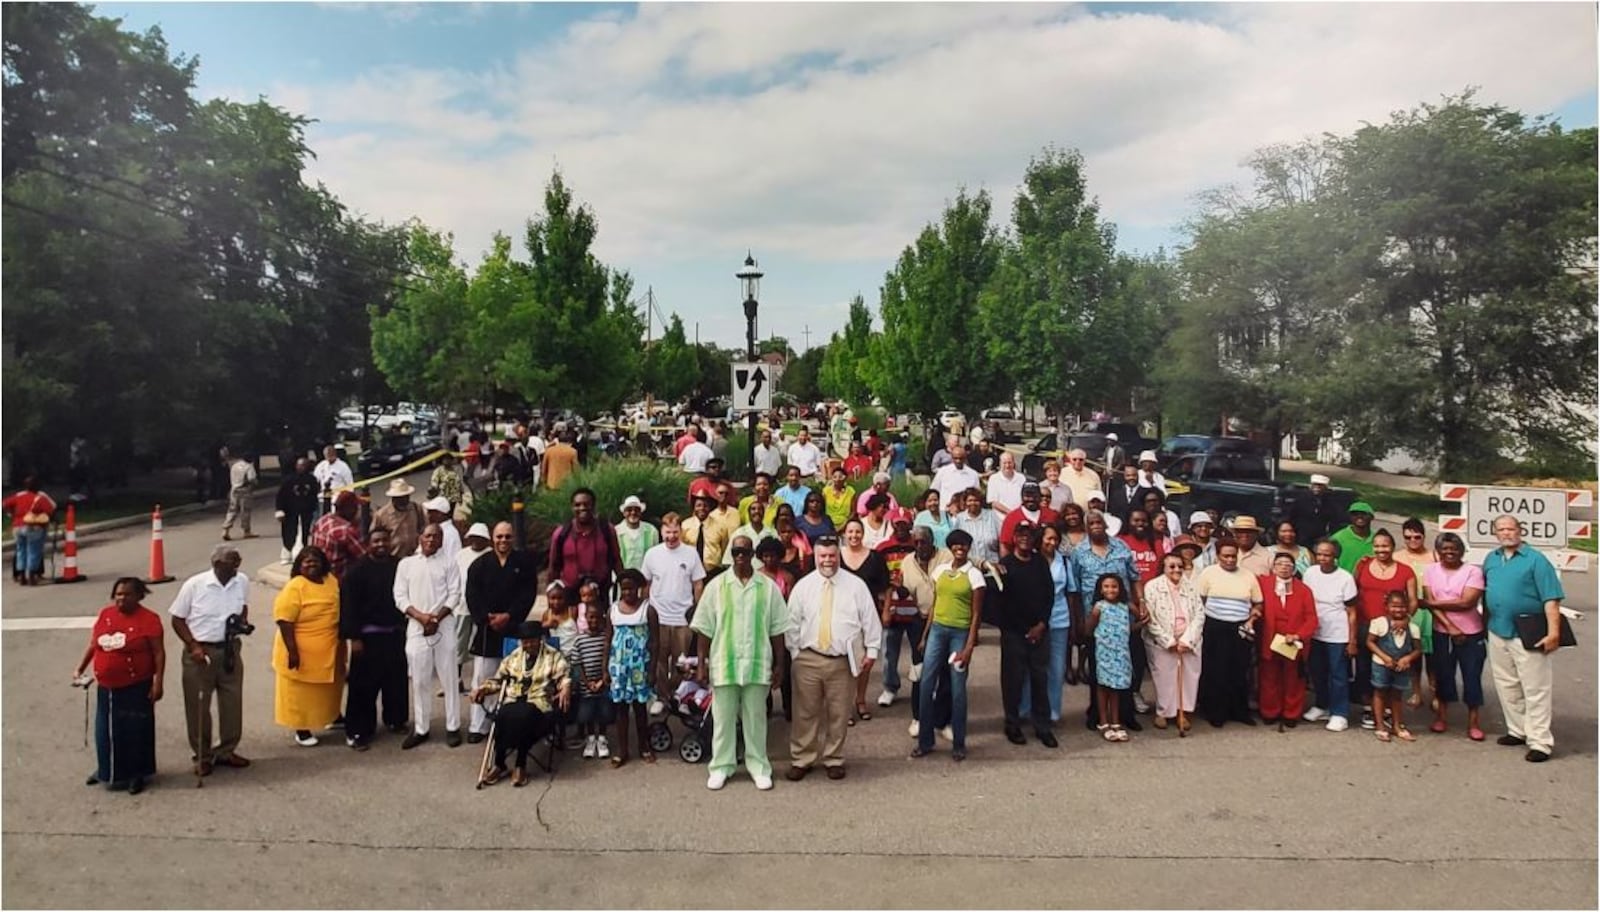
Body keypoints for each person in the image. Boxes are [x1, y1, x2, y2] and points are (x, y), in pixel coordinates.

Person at [692, 535, 789, 791]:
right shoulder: (716, 586)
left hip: (758, 663)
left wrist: (780, 665)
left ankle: (758, 767)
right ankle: (721, 767)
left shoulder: (768, 588)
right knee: (722, 720)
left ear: (752, 554)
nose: (740, 556)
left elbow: (778, 630)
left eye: (745, 552)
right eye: (736, 551)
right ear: (730, 554)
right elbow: (703, 629)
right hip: (725, 662)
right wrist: (701, 665)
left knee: (756, 719)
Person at [786, 536, 882, 780]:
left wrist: (871, 651)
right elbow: (792, 623)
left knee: (839, 713)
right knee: (805, 712)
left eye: (832, 556)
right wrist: (796, 653)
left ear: (838, 556)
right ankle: (802, 758)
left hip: (842, 661)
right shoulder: (803, 586)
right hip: (809, 659)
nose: (827, 560)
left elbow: (870, 619)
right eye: (823, 556)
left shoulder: (856, 586)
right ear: (815, 557)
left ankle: (833, 757)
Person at [1481, 514, 1565, 762]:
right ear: (1495, 533)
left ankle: (1540, 741)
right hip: (1498, 629)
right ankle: (1517, 729)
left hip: (1528, 632)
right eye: (1501, 529)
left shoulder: (1536, 560)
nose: (1506, 533)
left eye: (1511, 528)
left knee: (1535, 688)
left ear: (1520, 530)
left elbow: (1551, 598)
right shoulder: (1492, 559)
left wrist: (1554, 633)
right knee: (1506, 683)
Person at [169, 545, 251, 775]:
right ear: (216, 564)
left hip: (230, 649)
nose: (236, 567)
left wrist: (241, 623)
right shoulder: (195, 585)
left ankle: (227, 749)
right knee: (198, 705)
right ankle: (202, 755)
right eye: (231, 563)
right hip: (200, 652)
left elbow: (243, 605)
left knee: (232, 702)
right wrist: (192, 645)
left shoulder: (241, 581)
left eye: (238, 562)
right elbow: (177, 619)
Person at [77, 578, 164, 794]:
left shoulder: (149, 619)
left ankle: (137, 774)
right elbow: (93, 644)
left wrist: (158, 682)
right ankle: (106, 769)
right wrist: (80, 668)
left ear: (139, 596)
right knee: (105, 731)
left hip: (135, 686)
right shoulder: (106, 615)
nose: (121, 598)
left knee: (135, 731)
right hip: (107, 687)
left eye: (127, 594)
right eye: (118, 594)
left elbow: (158, 653)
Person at [910, 529, 985, 762]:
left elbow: (976, 614)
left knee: (957, 688)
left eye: (963, 546)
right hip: (937, 631)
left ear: (968, 548)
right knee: (926, 684)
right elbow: (935, 604)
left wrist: (969, 646)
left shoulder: (974, 576)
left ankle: (959, 743)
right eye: (955, 545)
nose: (959, 549)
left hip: (959, 633)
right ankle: (925, 741)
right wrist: (924, 636)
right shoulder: (940, 571)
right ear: (951, 548)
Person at [463, 521, 539, 743]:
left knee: (514, 678)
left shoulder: (523, 563)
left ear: (512, 538)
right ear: (492, 539)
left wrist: (510, 616)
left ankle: (510, 724)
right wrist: (486, 617)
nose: (503, 541)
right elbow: (472, 596)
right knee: (483, 678)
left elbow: (528, 594)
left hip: (513, 628)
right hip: (487, 629)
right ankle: (479, 725)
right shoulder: (479, 565)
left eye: (507, 537)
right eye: (499, 537)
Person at [472, 621, 571, 788]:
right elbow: (498, 680)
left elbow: (564, 676)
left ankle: (520, 764)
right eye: (525, 641)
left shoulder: (553, 655)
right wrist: (483, 689)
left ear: (540, 639)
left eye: (532, 640)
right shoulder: (514, 657)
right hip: (514, 699)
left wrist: (565, 688)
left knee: (524, 716)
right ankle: (500, 763)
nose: (529, 644)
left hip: (539, 703)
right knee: (501, 715)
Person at [392, 524, 463, 749]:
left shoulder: (450, 562)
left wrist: (436, 619)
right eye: (428, 535)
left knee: (449, 677)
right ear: (419, 538)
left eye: (436, 536)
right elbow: (400, 596)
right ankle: (422, 728)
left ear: (442, 540)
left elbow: (455, 594)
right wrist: (421, 617)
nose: (432, 540)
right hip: (416, 627)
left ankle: (453, 726)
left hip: (444, 625)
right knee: (420, 679)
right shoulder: (406, 564)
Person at [1070, 510, 1142, 730]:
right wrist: (1078, 621)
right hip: (1095, 619)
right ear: (1086, 527)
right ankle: (1097, 715)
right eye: (1091, 523)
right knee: (1098, 669)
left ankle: (1125, 715)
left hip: (1122, 619)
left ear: (1105, 524)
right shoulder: (1079, 552)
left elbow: (1135, 577)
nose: (1095, 526)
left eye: (1098, 522)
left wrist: (1142, 603)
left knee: (1126, 667)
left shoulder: (1121, 547)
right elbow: (1074, 589)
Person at [339, 528, 406, 750]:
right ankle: (358, 731)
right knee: (363, 687)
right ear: (368, 544)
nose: (381, 545)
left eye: (385, 541)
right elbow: (348, 607)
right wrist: (354, 638)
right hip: (367, 637)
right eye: (376, 541)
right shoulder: (356, 572)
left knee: (395, 682)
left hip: (395, 634)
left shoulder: (399, 566)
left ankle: (395, 720)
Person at [272, 546, 344, 747]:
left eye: (316, 561)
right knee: (301, 693)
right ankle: (302, 730)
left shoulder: (330, 580)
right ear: (299, 565)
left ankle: (332, 716)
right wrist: (292, 651)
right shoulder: (295, 587)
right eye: (307, 562)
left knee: (329, 688)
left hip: (330, 647)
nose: (312, 564)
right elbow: (284, 621)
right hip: (301, 650)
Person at [996, 522, 1058, 748]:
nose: (1025, 538)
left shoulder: (1040, 562)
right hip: (1014, 633)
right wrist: (1023, 630)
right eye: (1021, 534)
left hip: (1039, 631)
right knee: (1012, 681)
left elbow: (1049, 595)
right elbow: (1000, 604)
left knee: (1040, 679)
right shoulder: (1005, 565)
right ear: (1014, 537)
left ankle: (1042, 726)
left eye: (1029, 535)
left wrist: (1041, 625)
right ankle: (1012, 724)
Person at [641, 512, 707, 714]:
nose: (671, 537)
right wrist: (645, 609)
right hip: (658, 618)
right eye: (667, 532)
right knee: (660, 660)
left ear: (681, 531)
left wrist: (698, 610)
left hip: (682, 619)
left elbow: (698, 584)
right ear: (661, 532)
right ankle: (662, 698)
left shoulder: (690, 554)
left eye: (675, 532)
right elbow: (646, 584)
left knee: (682, 662)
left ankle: (678, 695)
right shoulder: (652, 554)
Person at [1423, 531, 1486, 739]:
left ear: (1461, 551)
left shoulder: (1473, 571)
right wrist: (1449, 626)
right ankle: (1441, 717)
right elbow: (1430, 601)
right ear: (1438, 551)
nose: (1449, 553)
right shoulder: (1430, 570)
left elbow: (1466, 602)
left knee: (1471, 676)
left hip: (1471, 632)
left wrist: (1433, 603)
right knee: (1443, 675)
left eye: (1454, 549)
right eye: (1445, 549)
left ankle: (1474, 722)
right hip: (1442, 631)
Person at [1351, 530, 1417, 729]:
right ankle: (1369, 708)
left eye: (1385, 546)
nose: (1381, 550)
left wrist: (1405, 620)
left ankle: (1388, 710)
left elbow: (1413, 600)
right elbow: (1352, 593)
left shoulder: (1406, 571)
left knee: (1391, 668)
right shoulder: (1362, 564)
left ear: (1393, 547)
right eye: (1377, 546)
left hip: (1393, 628)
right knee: (1364, 669)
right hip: (1366, 626)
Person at [1194, 541, 1263, 727]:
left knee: (1240, 669)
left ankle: (1240, 711)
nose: (1230, 559)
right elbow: (1199, 600)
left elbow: (1258, 602)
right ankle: (1216, 711)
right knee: (1216, 670)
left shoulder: (1248, 576)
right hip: (1215, 626)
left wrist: (1253, 617)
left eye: (1233, 556)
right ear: (1218, 556)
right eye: (1226, 556)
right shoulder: (1208, 573)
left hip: (1240, 627)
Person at [1301, 539, 1359, 732]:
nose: (1323, 558)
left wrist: (1352, 641)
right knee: (1317, 672)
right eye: (1319, 554)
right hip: (1315, 632)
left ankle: (1339, 713)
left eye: (1327, 555)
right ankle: (1322, 705)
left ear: (1335, 557)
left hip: (1338, 634)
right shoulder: (1310, 573)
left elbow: (1352, 612)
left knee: (1338, 675)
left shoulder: (1345, 578)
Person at [838, 517, 890, 722]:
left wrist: (886, 611)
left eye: (857, 532)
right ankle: (847, 703)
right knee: (845, 662)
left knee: (865, 661)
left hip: (868, 616)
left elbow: (886, 586)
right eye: (850, 532)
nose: (854, 536)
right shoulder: (837, 556)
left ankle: (861, 700)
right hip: (841, 616)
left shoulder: (875, 557)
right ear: (844, 534)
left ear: (863, 533)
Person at [1143, 552, 1202, 731]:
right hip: (1162, 641)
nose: (1177, 570)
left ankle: (1182, 711)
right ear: (1164, 568)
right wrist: (1168, 640)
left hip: (1188, 639)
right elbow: (1150, 618)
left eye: (1180, 566)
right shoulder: (1152, 586)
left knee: (1188, 676)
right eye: (1172, 566)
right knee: (1164, 677)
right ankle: (1164, 711)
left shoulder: (1191, 586)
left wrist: (1186, 639)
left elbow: (1199, 614)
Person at [1257, 552, 1316, 727]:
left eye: (1288, 564)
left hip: (1293, 641)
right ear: (1273, 567)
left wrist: (1298, 635)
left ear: (1294, 568)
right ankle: (1270, 711)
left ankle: (1291, 713)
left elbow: (1312, 618)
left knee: (1294, 680)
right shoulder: (1263, 584)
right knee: (1269, 677)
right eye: (1280, 564)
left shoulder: (1304, 590)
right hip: (1269, 639)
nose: (1284, 567)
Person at [608, 569, 656, 767]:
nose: (627, 592)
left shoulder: (648, 610)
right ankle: (622, 750)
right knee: (620, 710)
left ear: (639, 588)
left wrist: (652, 670)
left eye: (631, 588)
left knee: (640, 709)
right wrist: (605, 668)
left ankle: (644, 746)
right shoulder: (613, 610)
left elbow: (655, 642)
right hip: (618, 668)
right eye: (624, 588)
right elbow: (606, 640)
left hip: (640, 667)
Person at [1366, 590, 1422, 743]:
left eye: (1402, 606)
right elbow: (1370, 642)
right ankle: (1380, 726)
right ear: (1387, 607)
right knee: (1380, 692)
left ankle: (1397, 725)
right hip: (1381, 664)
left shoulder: (1413, 627)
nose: (1398, 610)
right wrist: (1384, 657)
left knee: (1397, 695)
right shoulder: (1379, 623)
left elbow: (1418, 649)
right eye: (1394, 606)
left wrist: (1407, 658)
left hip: (1401, 666)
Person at [1090, 574, 1140, 742]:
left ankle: (1115, 721)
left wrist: (1139, 615)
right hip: (1105, 652)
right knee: (1103, 686)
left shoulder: (1124, 606)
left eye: (1114, 586)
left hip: (1121, 652)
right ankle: (1104, 722)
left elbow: (1131, 624)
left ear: (1120, 589)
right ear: (1100, 589)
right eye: (1106, 586)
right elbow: (1089, 628)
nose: (1110, 590)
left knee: (1116, 688)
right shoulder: (1099, 607)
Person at [548, 487, 623, 596]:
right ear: (572, 507)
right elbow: (553, 566)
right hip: (570, 592)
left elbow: (616, 560)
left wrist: (623, 584)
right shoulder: (561, 533)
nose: (582, 508)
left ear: (593, 506)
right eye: (577, 505)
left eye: (587, 504)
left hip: (600, 591)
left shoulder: (606, 530)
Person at [1394, 517, 1435, 707]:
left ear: (1424, 536)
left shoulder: (1434, 556)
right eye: (1408, 537)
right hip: (1411, 610)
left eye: (1417, 537)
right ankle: (1417, 691)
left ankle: (1435, 692)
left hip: (1431, 610)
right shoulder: (1398, 557)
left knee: (1433, 656)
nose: (1412, 541)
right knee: (1414, 654)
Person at [570, 593, 614, 759]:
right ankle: (590, 739)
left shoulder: (606, 638)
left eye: (597, 617)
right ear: (585, 618)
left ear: (603, 618)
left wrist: (603, 681)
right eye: (591, 617)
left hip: (604, 683)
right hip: (586, 686)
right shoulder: (580, 640)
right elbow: (577, 663)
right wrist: (587, 682)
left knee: (603, 712)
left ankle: (602, 739)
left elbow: (611, 660)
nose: (594, 621)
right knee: (587, 713)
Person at [4, 475, 56, 586]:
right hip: (34, 527)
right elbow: (50, 511)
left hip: (17, 527)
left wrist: (11, 514)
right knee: (34, 551)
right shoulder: (40, 498)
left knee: (20, 551)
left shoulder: (18, 496)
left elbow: (4, 504)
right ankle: (32, 577)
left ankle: (22, 576)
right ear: (37, 486)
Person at [309, 492, 367, 582]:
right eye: (356, 508)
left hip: (319, 573)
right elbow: (364, 556)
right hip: (339, 579)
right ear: (348, 509)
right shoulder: (346, 530)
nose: (357, 511)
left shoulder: (322, 520)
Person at [272, 458, 318, 566]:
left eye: (304, 465)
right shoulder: (289, 480)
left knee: (304, 534)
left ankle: (302, 556)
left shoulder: (312, 480)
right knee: (289, 533)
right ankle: (286, 555)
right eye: (300, 465)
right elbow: (280, 496)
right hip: (290, 512)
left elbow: (314, 495)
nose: (302, 467)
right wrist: (280, 510)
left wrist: (313, 509)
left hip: (306, 513)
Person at [371, 479, 426, 559]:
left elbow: (423, 528)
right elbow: (374, 536)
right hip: (394, 558)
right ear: (393, 498)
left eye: (406, 496)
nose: (404, 500)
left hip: (415, 556)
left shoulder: (416, 508)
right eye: (401, 497)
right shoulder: (381, 515)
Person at [1291, 473, 1342, 545]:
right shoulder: (1301, 499)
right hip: (1301, 537)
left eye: (1320, 485)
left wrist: (1329, 535)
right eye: (1315, 485)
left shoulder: (1330, 502)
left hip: (1320, 538)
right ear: (1311, 486)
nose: (1317, 487)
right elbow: (1292, 516)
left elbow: (1335, 521)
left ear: (1325, 487)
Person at [930, 444, 981, 514]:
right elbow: (933, 491)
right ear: (952, 458)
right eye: (955, 458)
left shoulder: (973, 474)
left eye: (961, 458)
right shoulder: (943, 472)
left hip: (966, 514)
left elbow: (976, 495)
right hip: (945, 512)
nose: (958, 461)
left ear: (965, 457)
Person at [614, 496, 660, 573]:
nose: (633, 512)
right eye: (629, 510)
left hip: (645, 578)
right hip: (622, 578)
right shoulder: (616, 531)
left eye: (636, 510)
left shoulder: (651, 531)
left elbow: (656, 556)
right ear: (624, 512)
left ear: (641, 512)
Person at [220, 451, 258, 541]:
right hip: (244, 490)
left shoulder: (235, 465)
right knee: (245, 511)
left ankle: (226, 530)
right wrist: (255, 483)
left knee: (232, 510)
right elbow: (251, 478)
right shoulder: (249, 466)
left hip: (234, 489)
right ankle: (246, 531)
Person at [1329, 501, 1377, 572]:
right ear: (1350, 517)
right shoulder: (1337, 538)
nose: (1359, 516)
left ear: (1372, 517)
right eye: (1355, 514)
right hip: (1343, 581)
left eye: (1364, 514)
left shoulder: (1378, 540)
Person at [313, 445, 355, 511]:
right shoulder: (321, 466)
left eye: (330, 454)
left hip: (337, 499)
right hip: (322, 498)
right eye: (327, 455)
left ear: (335, 454)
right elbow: (315, 480)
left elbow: (350, 485)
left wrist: (347, 499)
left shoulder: (343, 466)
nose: (329, 457)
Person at [423, 496, 461, 564]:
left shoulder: (449, 533)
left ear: (440, 514)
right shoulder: (437, 529)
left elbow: (451, 560)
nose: (428, 515)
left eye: (431, 512)